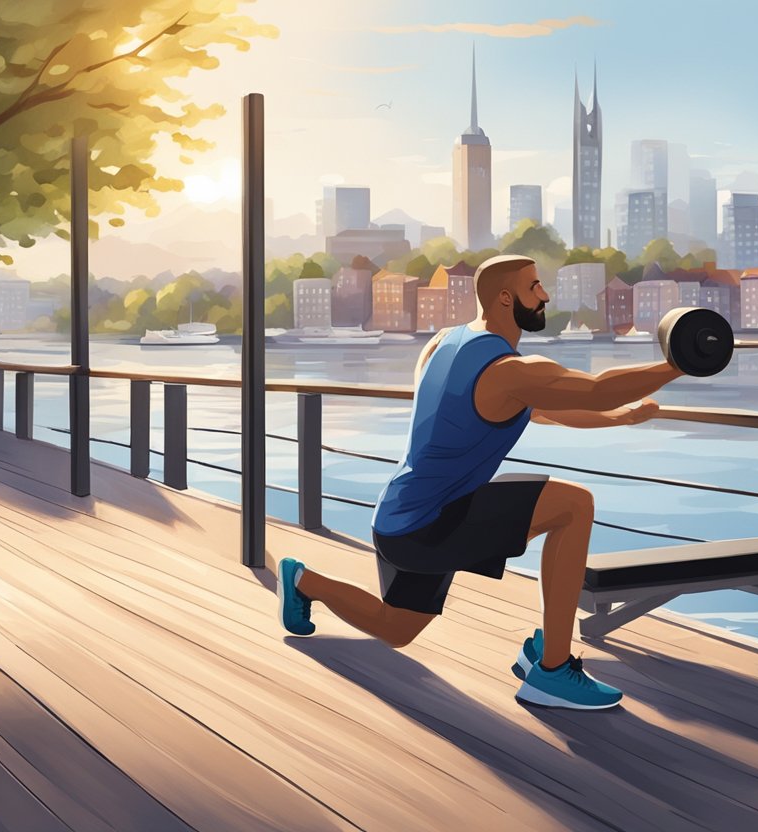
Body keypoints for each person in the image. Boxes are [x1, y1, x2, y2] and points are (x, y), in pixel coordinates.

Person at [278, 254, 683, 709]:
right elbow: (595, 388)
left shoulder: (444, 342)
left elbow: (540, 408)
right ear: (507, 298)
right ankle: (551, 669)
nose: (545, 295)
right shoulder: (510, 371)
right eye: (535, 287)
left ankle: (303, 581)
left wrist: (620, 418)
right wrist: (677, 364)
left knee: (397, 628)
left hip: (397, 518)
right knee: (573, 506)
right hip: (431, 524)